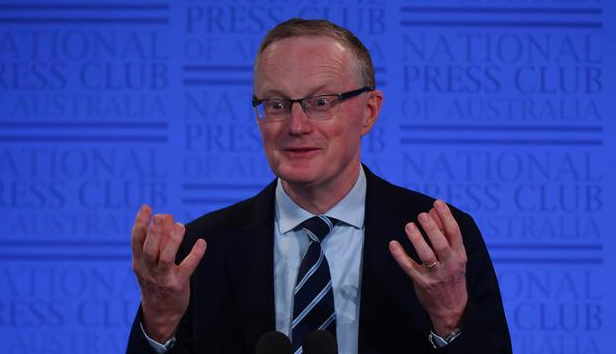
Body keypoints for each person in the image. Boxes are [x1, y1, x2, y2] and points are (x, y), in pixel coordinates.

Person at [126, 18, 512, 354]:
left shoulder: (438, 239)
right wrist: (160, 323)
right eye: (276, 104)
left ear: (370, 111)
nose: (296, 126)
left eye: (321, 102)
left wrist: (449, 316)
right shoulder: (200, 250)